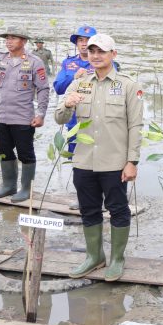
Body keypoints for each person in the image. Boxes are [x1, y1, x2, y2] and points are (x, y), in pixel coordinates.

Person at [55, 34, 143, 282]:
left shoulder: (128, 85)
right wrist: (68, 105)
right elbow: (59, 119)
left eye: (101, 51)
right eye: (92, 51)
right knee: (88, 210)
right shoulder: (80, 83)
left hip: (115, 162)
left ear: (113, 54)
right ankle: (94, 256)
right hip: (83, 161)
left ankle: (117, 259)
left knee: (118, 209)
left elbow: (136, 126)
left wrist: (132, 161)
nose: (95, 55)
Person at [0, 29, 49, 203]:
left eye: (13, 38)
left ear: (23, 41)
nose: (8, 41)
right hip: (1, 115)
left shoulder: (34, 62)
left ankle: (26, 189)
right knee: (3, 151)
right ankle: (9, 186)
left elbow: (43, 88)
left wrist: (41, 114)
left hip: (23, 116)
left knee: (25, 154)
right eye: (7, 38)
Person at [54, 25, 97, 210]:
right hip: (74, 120)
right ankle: (82, 198)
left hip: (97, 119)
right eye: (80, 40)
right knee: (77, 159)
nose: (84, 44)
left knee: (98, 158)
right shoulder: (68, 63)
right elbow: (58, 88)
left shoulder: (103, 62)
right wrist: (75, 78)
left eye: (87, 41)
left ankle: (99, 197)